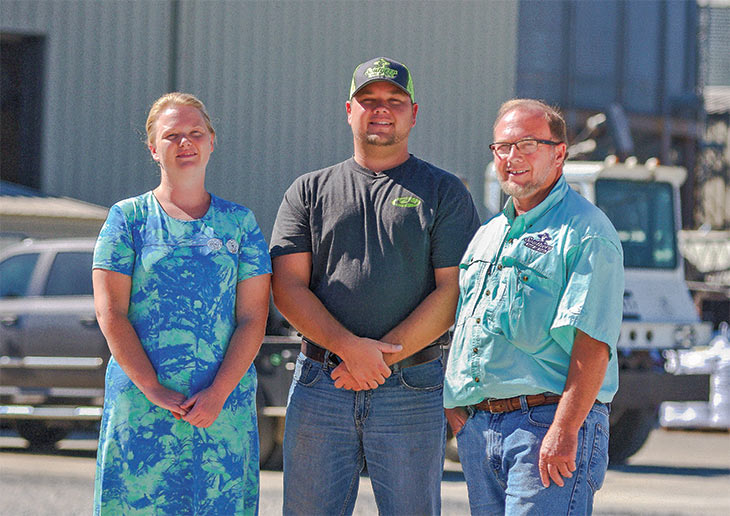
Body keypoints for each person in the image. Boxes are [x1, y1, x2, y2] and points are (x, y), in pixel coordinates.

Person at [269, 57, 481, 515]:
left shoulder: (444, 192)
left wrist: (379, 359)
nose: (381, 109)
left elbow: (454, 293)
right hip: (321, 383)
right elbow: (287, 286)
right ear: (349, 110)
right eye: (368, 100)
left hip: (412, 385)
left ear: (414, 112)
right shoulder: (308, 191)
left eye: (394, 101)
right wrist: (349, 348)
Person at [92, 92, 271, 515]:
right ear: (154, 149)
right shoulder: (127, 219)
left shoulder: (240, 223)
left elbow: (253, 316)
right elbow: (111, 313)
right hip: (142, 405)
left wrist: (217, 393)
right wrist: (153, 387)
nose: (185, 142)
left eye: (196, 133)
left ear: (212, 141)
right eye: (172, 135)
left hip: (220, 408)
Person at [444, 98, 624, 515]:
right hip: (481, 427)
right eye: (502, 147)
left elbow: (592, 343)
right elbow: (467, 322)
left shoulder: (586, 232)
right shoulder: (489, 234)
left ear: (559, 153)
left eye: (527, 144)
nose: (512, 157)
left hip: (545, 427)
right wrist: (458, 406)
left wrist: (564, 429)